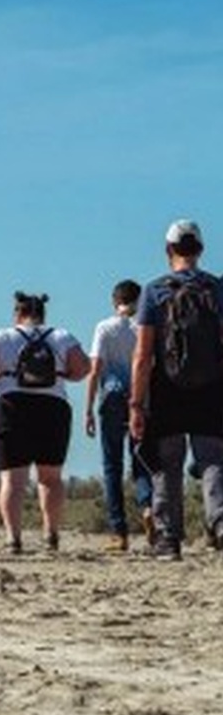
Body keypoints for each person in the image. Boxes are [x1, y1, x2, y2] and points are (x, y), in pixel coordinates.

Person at [129, 219, 223, 560]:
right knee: (213, 459)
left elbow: (142, 354)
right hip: (212, 386)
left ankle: (169, 538)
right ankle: (220, 521)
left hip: (166, 386)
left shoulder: (154, 291)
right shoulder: (217, 288)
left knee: (166, 464)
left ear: (169, 250)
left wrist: (136, 404)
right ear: (200, 249)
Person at [0, 291, 90, 553]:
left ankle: (13, 538)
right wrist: (64, 375)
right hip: (53, 406)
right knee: (51, 477)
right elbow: (83, 368)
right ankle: (51, 534)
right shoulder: (61, 336)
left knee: (12, 480)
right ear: (43, 314)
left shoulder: (3, 336)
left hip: (12, 406)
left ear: (18, 313)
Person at [85, 280, 153, 553]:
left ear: (115, 302)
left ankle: (119, 532)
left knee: (112, 466)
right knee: (141, 460)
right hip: (141, 398)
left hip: (112, 398)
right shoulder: (145, 328)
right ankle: (148, 506)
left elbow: (95, 368)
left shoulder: (105, 327)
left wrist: (88, 408)